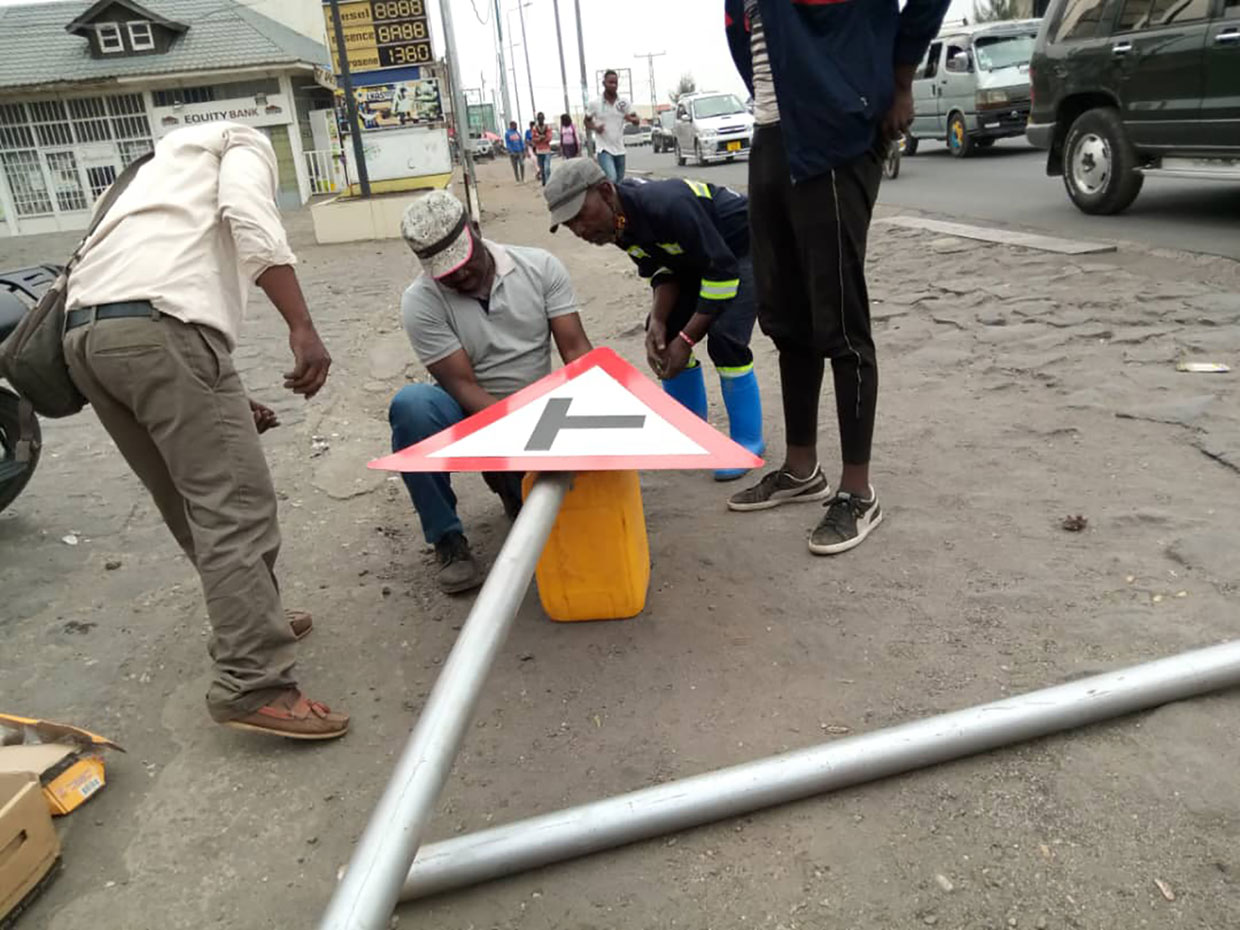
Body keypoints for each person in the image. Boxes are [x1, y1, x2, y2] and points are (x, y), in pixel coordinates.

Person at [61, 122, 348, 740]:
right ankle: (254, 682)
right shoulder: (240, 141)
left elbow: (143, 284)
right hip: (162, 334)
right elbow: (248, 217)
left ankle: (256, 619)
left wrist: (224, 390)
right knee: (235, 508)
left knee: (190, 504)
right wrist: (301, 324)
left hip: (86, 341)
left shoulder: (149, 175)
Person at [721, 0, 949, 554]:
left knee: (840, 317)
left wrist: (898, 77)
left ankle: (858, 491)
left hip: (834, 130)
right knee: (786, 315)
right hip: (772, 135)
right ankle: (802, 469)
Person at [390, 190, 593, 593]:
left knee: (561, 514)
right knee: (411, 407)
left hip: (541, 404)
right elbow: (463, 385)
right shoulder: (421, 302)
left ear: (475, 230)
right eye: (446, 273)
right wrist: (523, 446)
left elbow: (576, 352)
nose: (459, 276)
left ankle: (512, 484)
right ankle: (448, 539)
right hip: (472, 410)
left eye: (463, 263)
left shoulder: (539, 266)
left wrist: (590, 420)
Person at [546, 159, 764, 482]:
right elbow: (663, 271)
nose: (579, 230)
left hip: (743, 250)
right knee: (663, 337)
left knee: (725, 339)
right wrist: (659, 321)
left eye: (579, 217)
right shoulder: (617, 225)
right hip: (696, 261)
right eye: (569, 225)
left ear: (606, 191)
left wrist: (687, 340)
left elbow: (723, 273)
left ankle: (747, 442)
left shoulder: (667, 205)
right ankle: (690, 431)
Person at [585, 69, 639, 182]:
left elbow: (637, 121)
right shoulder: (595, 103)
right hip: (604, 149)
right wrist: (595, 127)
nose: (614, 85)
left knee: (619, 181)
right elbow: (586, 121)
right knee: (612, 178)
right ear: (604, 83)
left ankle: (609, 198)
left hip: (620, 148)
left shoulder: (623, 103)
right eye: (610, 82)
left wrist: (630, 119)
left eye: (616, 83)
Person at [531, 112, 555, 186]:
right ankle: (544, 182)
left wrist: (540, 139)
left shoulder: (547, 127)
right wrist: (540, 138)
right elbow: (533, 139)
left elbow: (549, 138)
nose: (541, 119)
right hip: (539, 151)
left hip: (547, 150)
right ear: (537, 119)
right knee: (542, 169)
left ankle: (549, 183)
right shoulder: (535, 128)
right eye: (539, 118)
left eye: (542, 118)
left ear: (544, 119)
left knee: (547, 168)